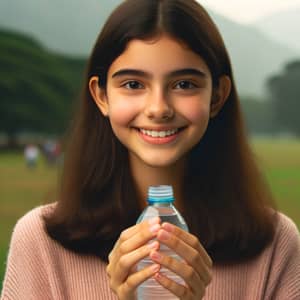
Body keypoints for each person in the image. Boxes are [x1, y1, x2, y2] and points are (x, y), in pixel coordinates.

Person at [1, 0, 300, 299]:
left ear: (217, 96)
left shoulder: (276, 246)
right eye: (133, 84)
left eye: (184, 84)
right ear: (101, 96)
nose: (158, 109)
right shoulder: (40, 243)